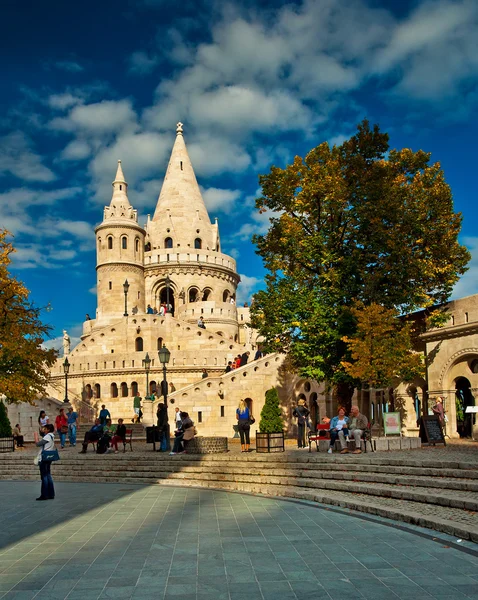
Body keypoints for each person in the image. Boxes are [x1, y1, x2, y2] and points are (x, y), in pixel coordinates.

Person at [34, 424, 55, 501]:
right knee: (48, 475)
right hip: (49, 457)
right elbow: (43, 435)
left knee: (44, 476)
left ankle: (44, 494)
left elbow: (38, 444)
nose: (44, 430)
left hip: (44, 457)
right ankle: (51, 494)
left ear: (48, 429)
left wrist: (35, 436)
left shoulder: (47, 436)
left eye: (45, 428)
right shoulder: (52, 436)